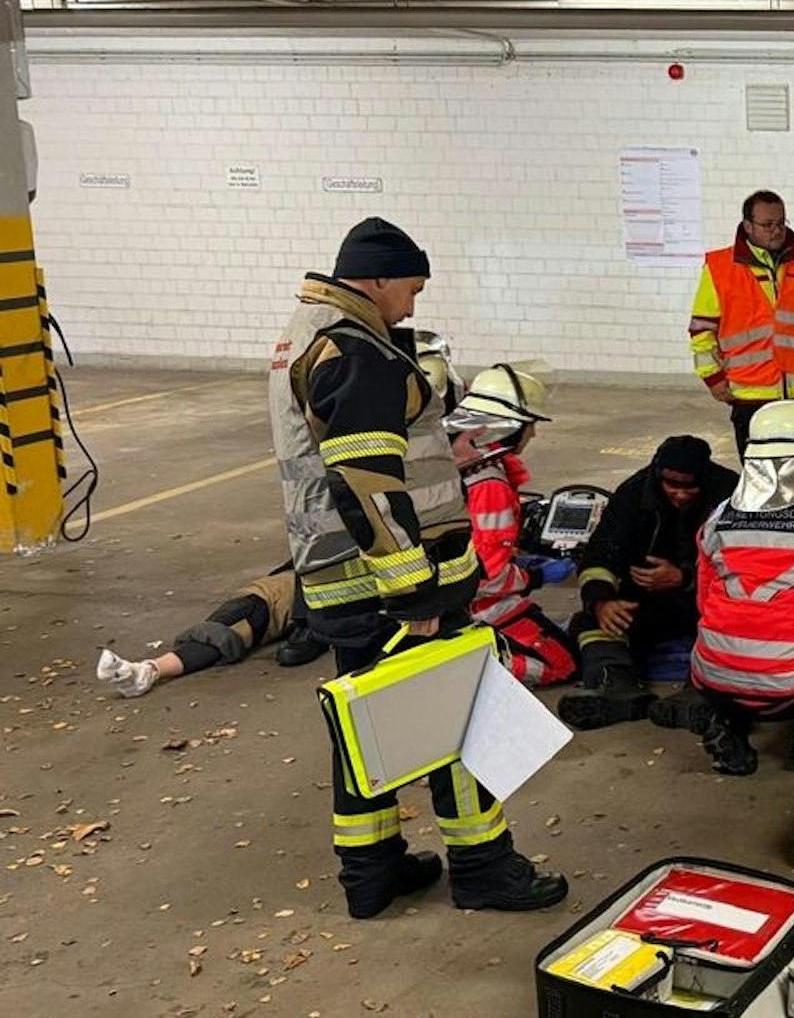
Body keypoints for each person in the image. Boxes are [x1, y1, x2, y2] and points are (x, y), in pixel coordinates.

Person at [269, 216, 564, 920]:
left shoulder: (307, 334)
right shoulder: (353, 349)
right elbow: (367, 480)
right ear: (373, 278)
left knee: (368, 726)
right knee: (455, 720)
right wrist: (413, 590)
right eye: (411, 288)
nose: (413, 304)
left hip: (341, 578)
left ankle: (371, 872)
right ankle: (484, 866)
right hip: (392, 583)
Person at [681, 402, 794, 775]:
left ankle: (729, 723)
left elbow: (703, 601)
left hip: (709, 674)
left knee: (730, 625)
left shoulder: (717, 517)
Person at [559, 435, 738, 730]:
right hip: (649, 600)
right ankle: (617, 684)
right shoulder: (633, 491)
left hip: (709, 601)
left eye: (689, 487)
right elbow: (601, 553)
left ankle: (702, 693)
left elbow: (746, 567)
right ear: (657, 473)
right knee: (589, 622)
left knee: (740, 627)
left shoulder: (731, 493)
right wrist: (603, 601)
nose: (680, 494)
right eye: (672, 485)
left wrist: (685, 578)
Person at [688, 190, 794, 456]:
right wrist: (712, 377)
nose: (776, 230)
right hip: (749, 398)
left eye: (781, 222)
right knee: (761, 483)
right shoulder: (719, 267)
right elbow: (702, 330)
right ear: (748, 226)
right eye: (767, 225)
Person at [448, 363, 580, 688]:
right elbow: (489, 579)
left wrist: (515, 559)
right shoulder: (489, 484)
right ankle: (469, 665)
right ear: (504, 426)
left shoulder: (455, 460)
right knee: (562, 664)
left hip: (443, 595)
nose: (532, 434)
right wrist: (535, 575)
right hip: (475, 604)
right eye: (528, 425)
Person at [96, 566, 301, 697]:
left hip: (274, 599)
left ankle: (146, 672)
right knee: (223, 629)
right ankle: (146, 672)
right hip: (268, 593)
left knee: (222, 634)